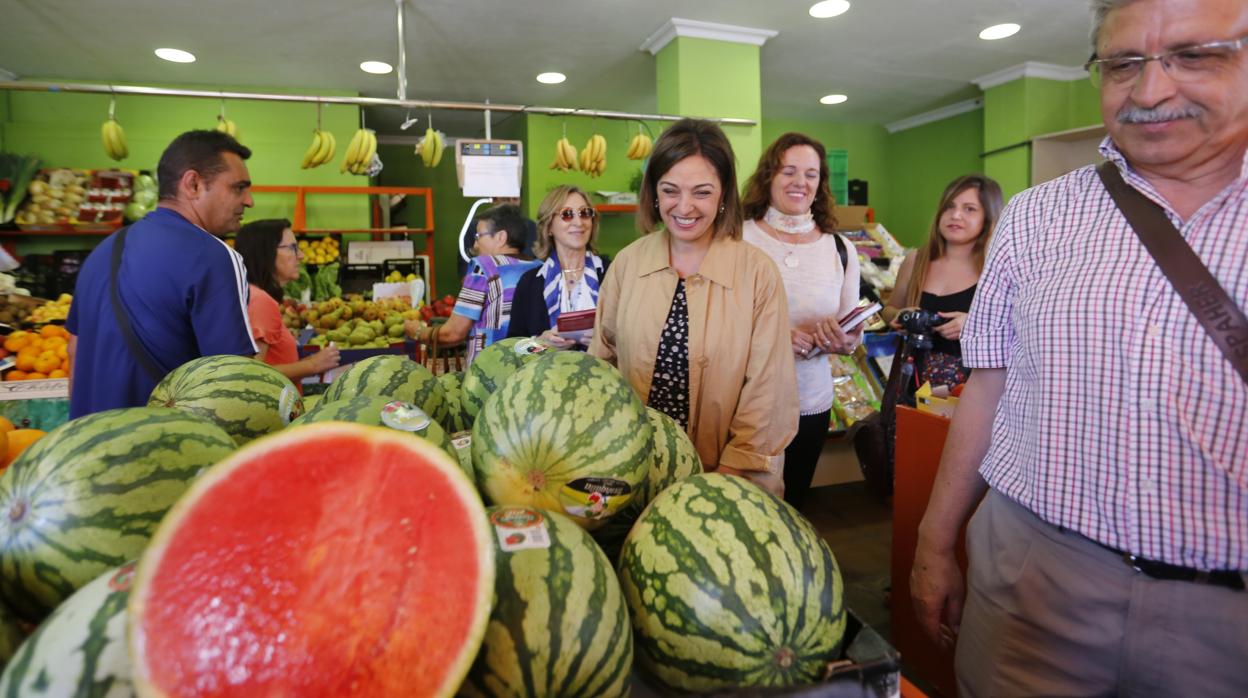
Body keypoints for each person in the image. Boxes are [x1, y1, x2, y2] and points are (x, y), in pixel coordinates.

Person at [911, 0, 1248, 695]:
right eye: (1124, 64)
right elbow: (989, 387)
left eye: (1194, 55)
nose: (1151, 90)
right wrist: (933, 543)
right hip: (1030, 577)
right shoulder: (1038, 215)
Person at [590, 119, 799, 497]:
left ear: (724, 195)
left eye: (702, 192)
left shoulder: (757, 273)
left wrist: (726, 475)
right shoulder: (627, 263)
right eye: (670, 190)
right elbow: (603, 360)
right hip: (633, 470)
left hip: (730, 476)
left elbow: (769, 391)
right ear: (653, 192)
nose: (684, 207)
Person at [66, 130, 258, 418]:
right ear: (192, 184)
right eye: (238, 188)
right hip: (163, 448)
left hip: (88, 445)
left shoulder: (103, 251)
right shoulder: (213, 256)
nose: (249, 201)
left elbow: (73, 352)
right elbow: (234, 383)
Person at [740, 132, 863, 510]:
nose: (800, 182)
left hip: (811, 401)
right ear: (768, 177)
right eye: (788, 171)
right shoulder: (737, 238)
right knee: (744, 509)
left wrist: (846, 342)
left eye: (811, 174)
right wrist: (776, 337)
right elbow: (716, 321)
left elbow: (853, 330)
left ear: (820, 183)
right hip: (745, 400)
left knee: (792, 508)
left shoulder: (841, 249)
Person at [882, 174, 1003, 388]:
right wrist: (899, 316)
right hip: (910, 383)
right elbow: (890, 309)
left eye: (969, 209)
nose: (955, 215)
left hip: (970, 392)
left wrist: (972, 323)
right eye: (949, 206)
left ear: (988, 217)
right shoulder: (915, 261)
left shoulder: (996, 270)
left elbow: (1016, 329)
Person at [406, 203, 539, 365]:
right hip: (530, 369)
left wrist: (417, 331)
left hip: (490, 372)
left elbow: (454, 333)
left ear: (501, 237)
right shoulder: (539, 267)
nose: (475, 245)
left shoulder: (484, 266)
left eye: (479, 236)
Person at [234, 219, 340, 386]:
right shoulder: (261, 301)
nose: (301, 255)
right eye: (292, 248)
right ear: (266, 253)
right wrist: (311, 365)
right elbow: (251, 374)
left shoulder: (252, 294)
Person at [507, 184, 609, 347]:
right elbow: (514, 350)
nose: (579, 222)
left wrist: (606, 342)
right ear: (548, 226)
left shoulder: (612, 272)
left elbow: (633, 336)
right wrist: (540, 344)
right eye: (567, 214)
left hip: (605, 371)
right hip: (546, 372)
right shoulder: (530, 283)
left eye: (585, 213)